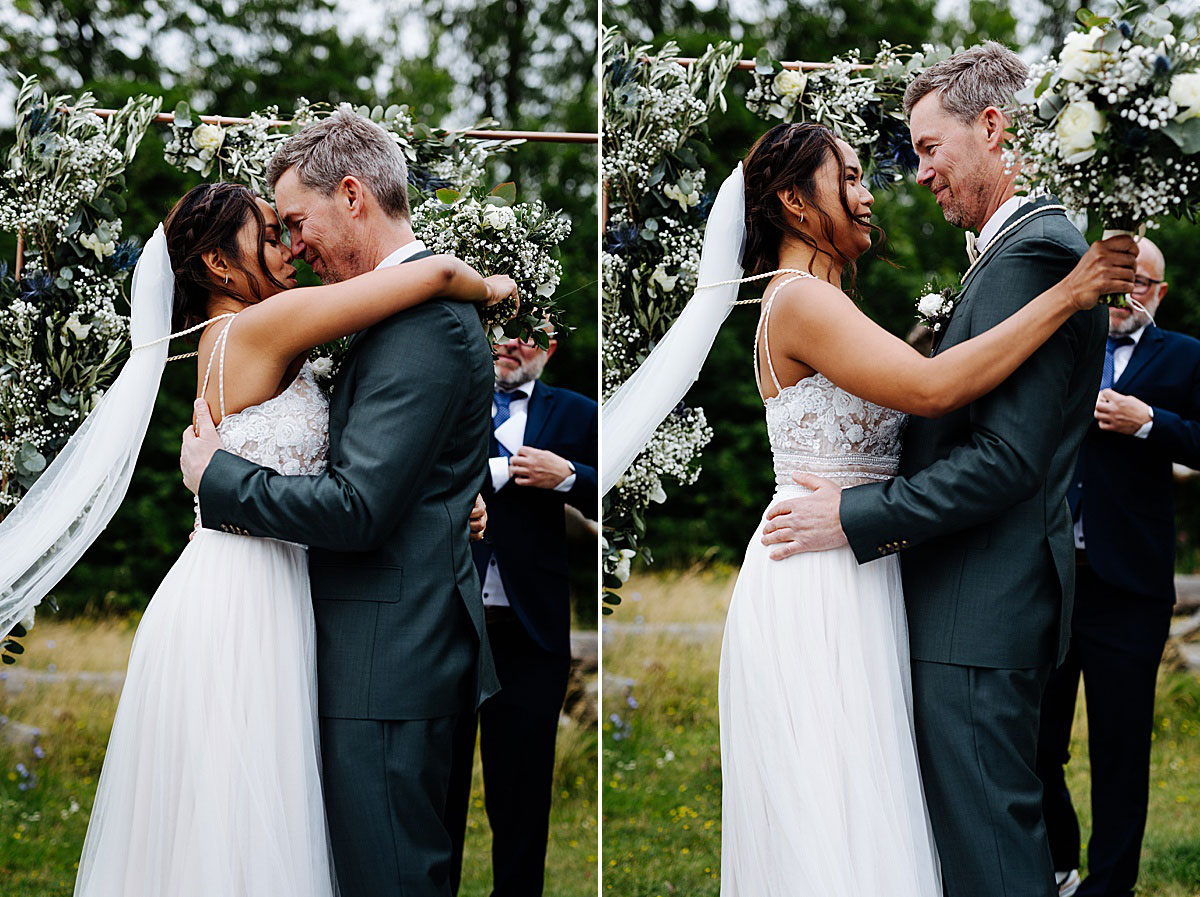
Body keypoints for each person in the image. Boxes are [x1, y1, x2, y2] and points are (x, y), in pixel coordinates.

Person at [63, 175, 512, 897]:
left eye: (288, 227)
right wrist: (486, 286)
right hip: (245, 597)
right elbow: (430, 272)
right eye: (270, 234)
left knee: (236, 819)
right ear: (217, 264)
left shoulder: (238, 335)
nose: (289, 247)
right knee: (243, 817)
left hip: (246, 579)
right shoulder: (262, 325)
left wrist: (442, 503)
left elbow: (362, 456)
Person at [754, 44, 1133, 897]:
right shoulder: (1019, 258)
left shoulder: (1035, 256)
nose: (915, 174)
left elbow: (1002, 460)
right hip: (967, 600)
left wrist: (852, 516)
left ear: (992, 127)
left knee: (991, 853)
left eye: (928, 148)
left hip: (980, 607)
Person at [1037, 237, 1200, 897]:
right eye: (1118, 279)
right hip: (1050, 577)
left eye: (1141, 283)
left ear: (1158, 294)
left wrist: (1150, 422)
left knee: (1121, 752)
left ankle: (1109, 889)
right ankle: (1060, 862)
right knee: (1038, 742)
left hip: (1130, 587)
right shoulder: (1061, 341)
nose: (1126, 293)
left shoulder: (1185, 356)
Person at [445, 329, 598, 897]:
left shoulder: (580, 413)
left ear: (551, 349)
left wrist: (571, 476)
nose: (513, 344)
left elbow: (616, 492)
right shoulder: (447, 397)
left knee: (523, 791)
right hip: (450, 623)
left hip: (531, 631)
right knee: (440, 783)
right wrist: (502, 472)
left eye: (531, 337)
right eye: (504, 331)